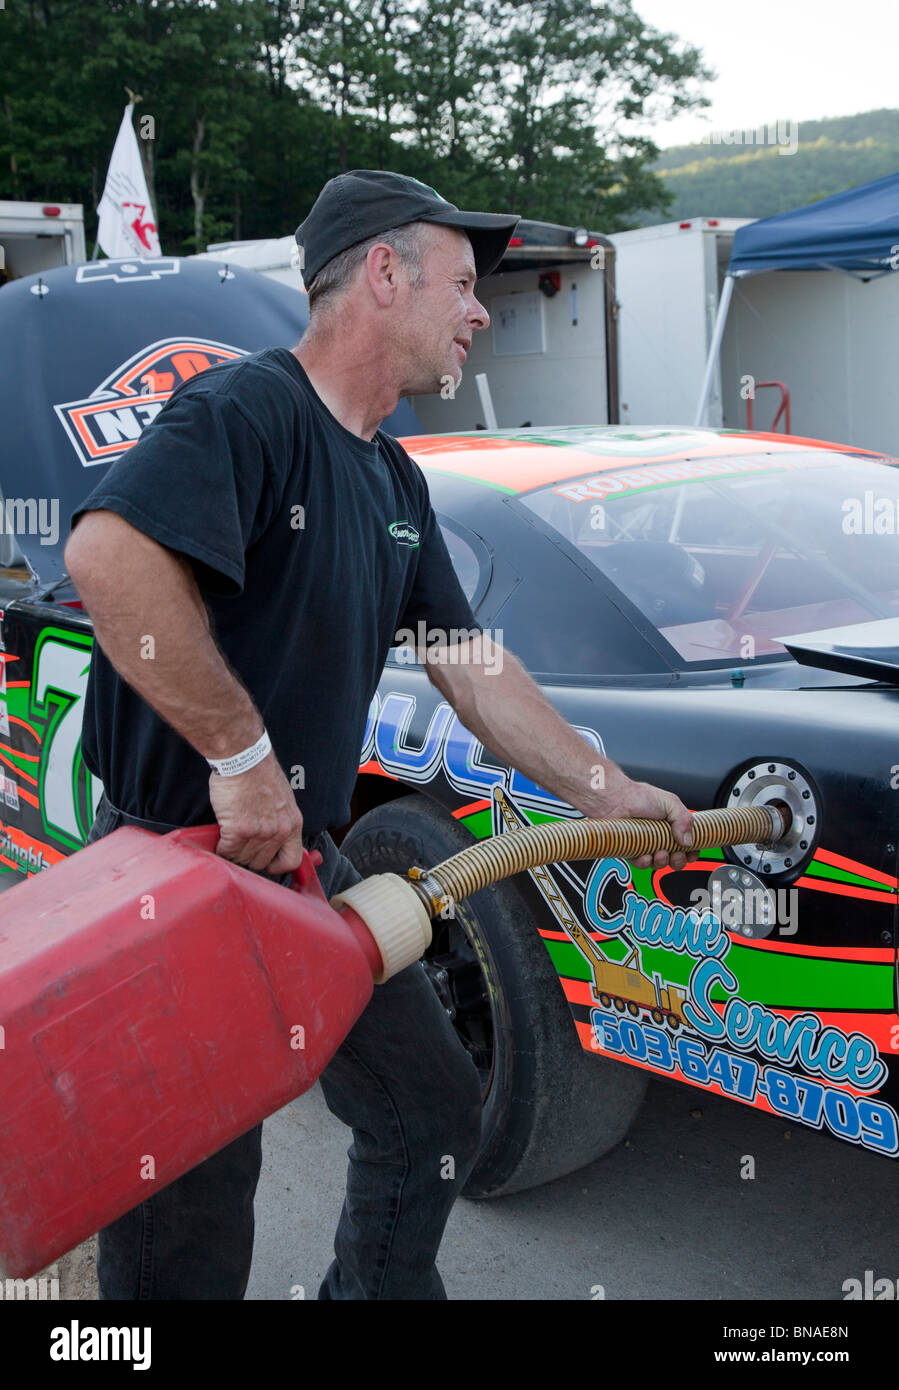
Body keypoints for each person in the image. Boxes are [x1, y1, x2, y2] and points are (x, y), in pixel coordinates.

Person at [63, 168, 696, 1301]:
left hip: (303, 860)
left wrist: (604, 788)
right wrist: (243, 762)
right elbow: (109, 559)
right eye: (460, 284)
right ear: (383, 274)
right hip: (180, 865)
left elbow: (469, 667)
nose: (475, 312)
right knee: (196, 1202)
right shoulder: (244, 411)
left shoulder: (390, 473)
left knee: (429, 1104)